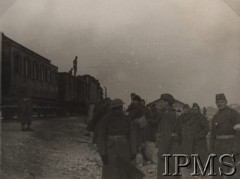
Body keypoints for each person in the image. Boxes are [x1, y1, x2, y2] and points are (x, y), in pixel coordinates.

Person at [98, 99, 144, 179]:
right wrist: (103, 154)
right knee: (110, 171)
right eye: (115, 109)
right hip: (110, 150)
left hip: (124, 149)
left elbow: (131, 136)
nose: (118, 110)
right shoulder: (105, 119)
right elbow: (101, 137)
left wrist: (133, 151)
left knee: (124, 171)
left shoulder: (126, 119)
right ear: (112, 109)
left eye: (119, 108)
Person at [209, 94, 240, 179]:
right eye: (218, 102)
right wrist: (211, 148)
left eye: (222, 102)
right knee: (217, 171)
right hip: (218, 147)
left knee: (231, 172)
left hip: (230, 146)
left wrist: (235, 148)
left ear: (226, 102)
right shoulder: (216, 116)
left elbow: (238, 132)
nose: (220, 104)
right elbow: (212, 134)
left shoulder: (233, 114)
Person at [155, 93, 181, 179]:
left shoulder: (168, 115)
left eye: (161, 102)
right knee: (174, 170)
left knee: (166, 172)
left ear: (166, 103)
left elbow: (166, 135)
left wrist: (161, 151)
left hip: (168, 148)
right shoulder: (174, 113)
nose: (160, 104)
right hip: (173, 146)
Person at [179, 103, 209, 169]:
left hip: (200, 141)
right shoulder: (191, 118)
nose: (194, 111)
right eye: (193, 109)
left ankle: (202, 168)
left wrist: (198, 136)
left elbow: (206, 129)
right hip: (192, 140)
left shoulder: (202, 117)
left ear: (198, 109)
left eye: (196, 109)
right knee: (192, 153)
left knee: (201, 155)